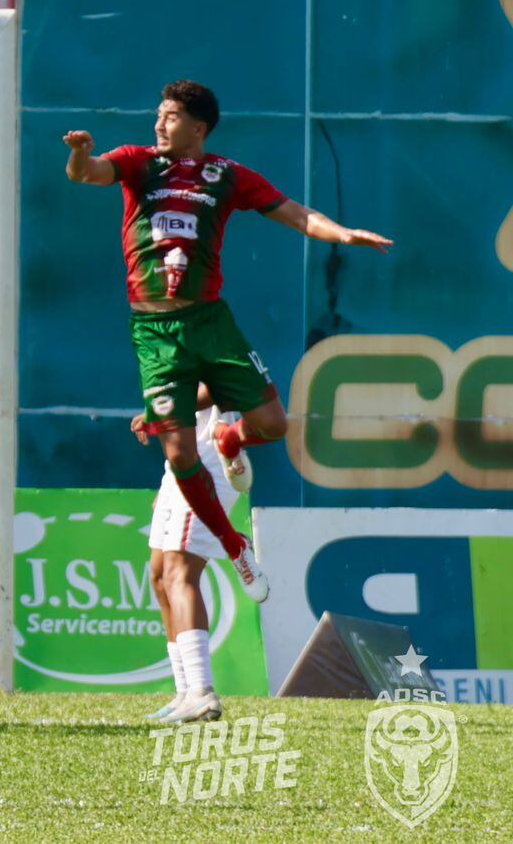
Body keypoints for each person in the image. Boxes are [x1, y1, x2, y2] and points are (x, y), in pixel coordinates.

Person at [64, 79, 393, 599]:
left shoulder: (226, 175)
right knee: (176, 451)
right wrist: (81, 154)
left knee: (273, 425)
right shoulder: (137, 163)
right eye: (158, 114)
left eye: (170, 116)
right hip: (153, 330)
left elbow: (296, 213)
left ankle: (230, 438)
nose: (158, 123)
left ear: (199, 128)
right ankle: (236, 547)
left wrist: (343, 233)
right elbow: (88, 174)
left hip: (210, 323)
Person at [138, 387, 239, 723]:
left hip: (208, 467)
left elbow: (217, 384)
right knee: (160, 576)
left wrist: (157, 414)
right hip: (179, 468)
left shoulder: (206, 336)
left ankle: (202, 691)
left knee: (181, 574)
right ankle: (184, 694)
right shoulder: (165, 345)